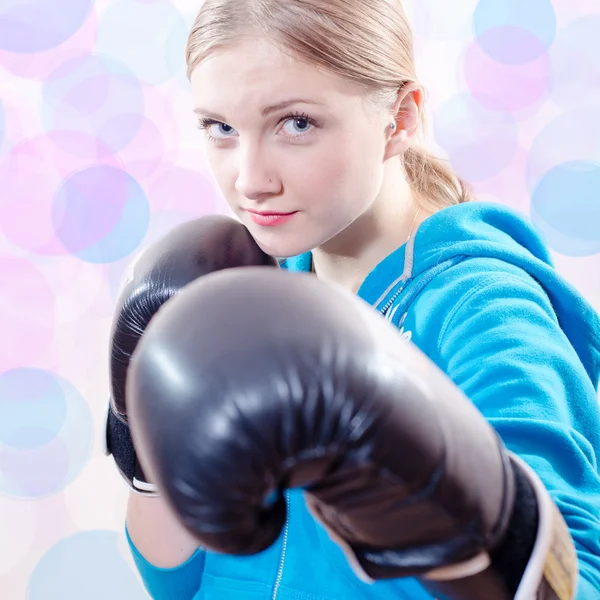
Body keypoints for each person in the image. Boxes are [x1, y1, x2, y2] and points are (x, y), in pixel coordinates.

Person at [104, 0, 600, 598]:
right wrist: (142, 447)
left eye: (297, 123)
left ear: (402, 118)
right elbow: (180, 583)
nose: (251, 178)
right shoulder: (253, 291)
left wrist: (456, 515)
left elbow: (575, 582)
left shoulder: (483, 309)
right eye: (221, 128)